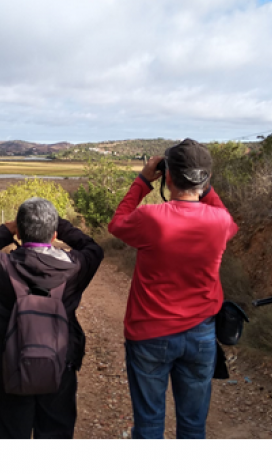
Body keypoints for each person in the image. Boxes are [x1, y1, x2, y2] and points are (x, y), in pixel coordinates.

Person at [108, 138, 239, 439]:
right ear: (206, 179)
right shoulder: (221, 221)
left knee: (150, 425)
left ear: (167, 177)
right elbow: (223, 214)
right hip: (201, 336)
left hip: (149, 334)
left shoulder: (151, 218)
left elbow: (116, 224)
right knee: (193, 426)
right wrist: (205, 187)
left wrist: (142, 181)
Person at [0, 197, 104, 439]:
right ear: (54, 235)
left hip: (9, 364)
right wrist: (61, 223)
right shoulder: (74, 267)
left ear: (20, 234)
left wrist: (5, 231)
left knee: (13, 434)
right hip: (60, 363)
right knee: (56, 433)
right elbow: (94, 249)